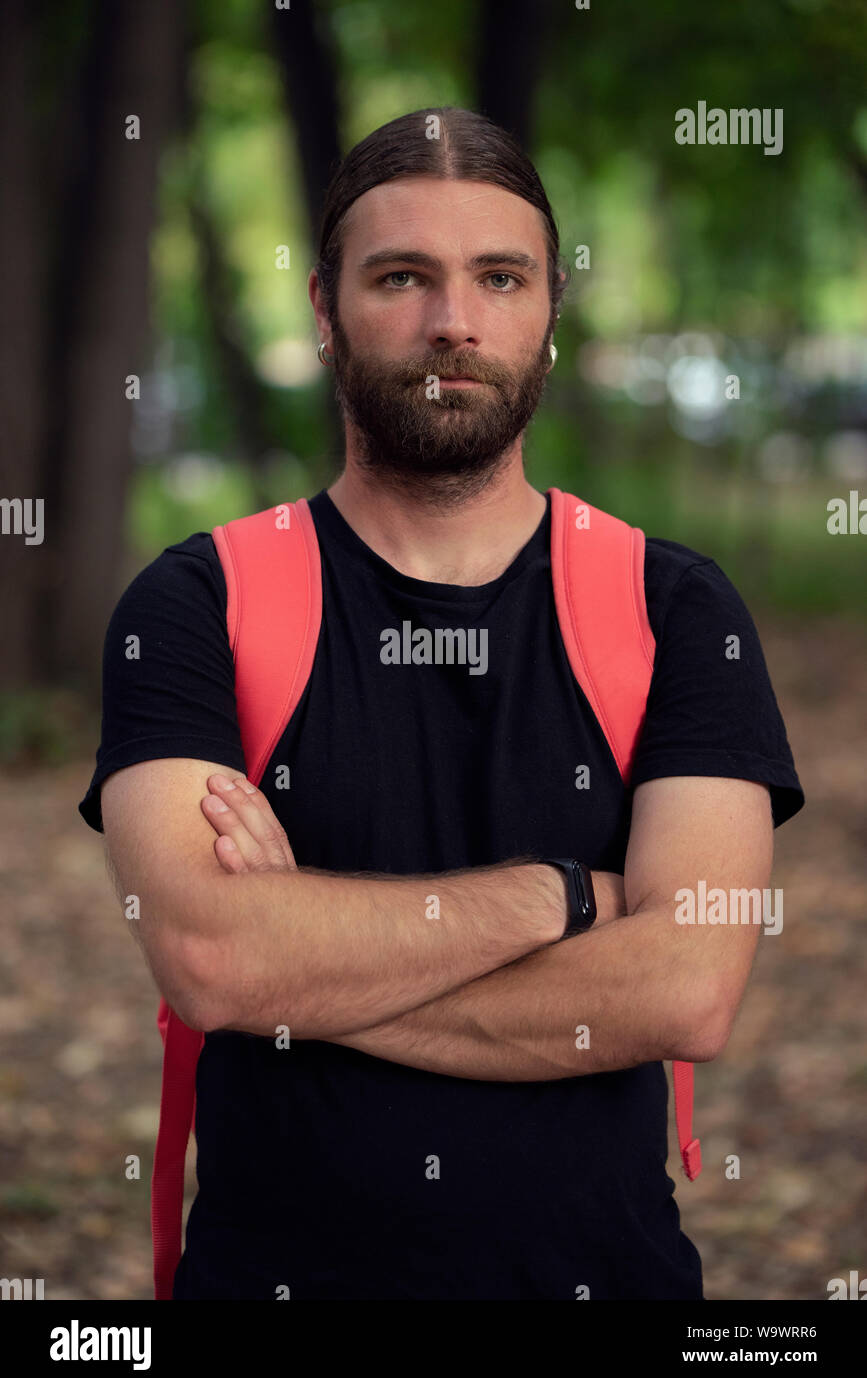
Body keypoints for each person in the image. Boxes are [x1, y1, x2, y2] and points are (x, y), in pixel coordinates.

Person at [79, 107, 804, 1300]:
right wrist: (562, 898)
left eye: (499, 277)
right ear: (323, 308)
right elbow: (211, 958)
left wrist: (301, 969)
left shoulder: (672, 607)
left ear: (549, 314)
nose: (452, 321)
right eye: (402, 276)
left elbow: (687, 987)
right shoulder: (197, 603)